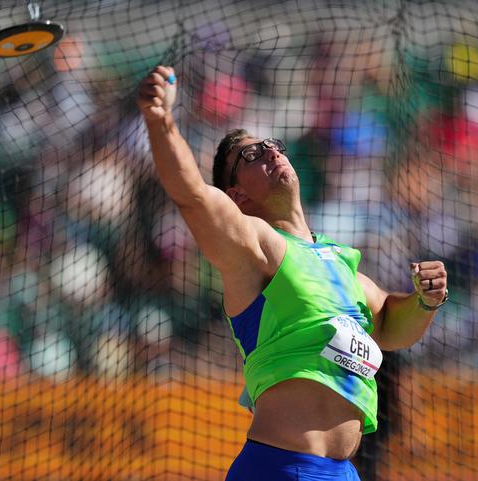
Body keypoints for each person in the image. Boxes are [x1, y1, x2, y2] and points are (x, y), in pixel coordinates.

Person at [137, 65, 448, 481]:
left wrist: (425, 301)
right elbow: (191, 194)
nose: (269, 152)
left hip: (342, 471)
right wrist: (161, 120)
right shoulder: (256, 245)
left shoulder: (340, 261)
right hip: (282, 468)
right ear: (237, 195)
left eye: (271, 144)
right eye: (250, 155)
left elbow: (392, 326)